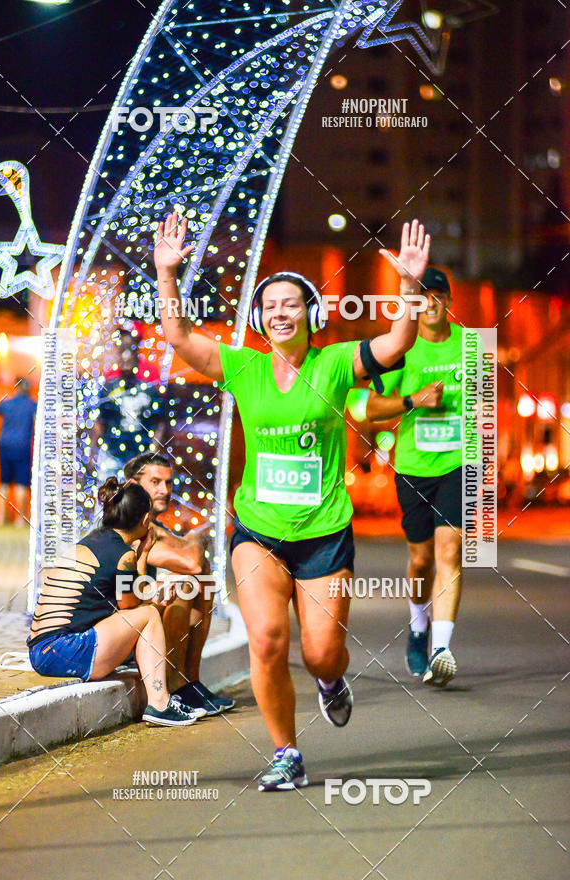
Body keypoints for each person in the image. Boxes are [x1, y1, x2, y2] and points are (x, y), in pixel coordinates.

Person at [155, 210, 431, 789]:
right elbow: (178, 337)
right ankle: (286, 753)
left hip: (325, 534)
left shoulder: (334, 364)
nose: (280, 312)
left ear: (312, 314)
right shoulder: (243, 367)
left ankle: (331, 682)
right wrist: (168, 273)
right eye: (270, 305)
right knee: (267, 638)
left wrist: (407, 289)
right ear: (260, 318)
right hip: (257, 531)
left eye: (292, 303)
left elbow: (399, 340)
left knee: (322, 653)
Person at [27, 476, 198, 726]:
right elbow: (131, 606)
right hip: (61, 650)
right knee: (149, 615)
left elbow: (128, 600)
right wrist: (145, 556)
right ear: (144, 519)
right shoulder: (124, 555)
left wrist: (144, 553)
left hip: (40, 650)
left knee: (145, 613)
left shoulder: (95, 539)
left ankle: (161, 698)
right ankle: (160, 702)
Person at [365, 267, 462, 687]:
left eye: (438, 295)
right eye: (423, 296)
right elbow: (368, 408)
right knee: (422, 559)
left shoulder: (472, 347)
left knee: (450, 552)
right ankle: (418, 627)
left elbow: (485, 407)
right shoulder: (402, 349)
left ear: (449, 302)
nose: (431, 302)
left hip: (461, 464)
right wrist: (413, 400)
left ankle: (441, 649)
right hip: (413, 468)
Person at [123, 451, 235, 715]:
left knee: (203, 579)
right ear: (132, 485)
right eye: (155, 482)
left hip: (137, 614)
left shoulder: (153, 525)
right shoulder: (132, 525)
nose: (164, 490)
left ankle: (191, 681)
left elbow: (194, 562)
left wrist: (193, 544)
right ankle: (178, 683)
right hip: (118, 624)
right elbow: (192, 562)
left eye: (169, 483)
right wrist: (197, 536)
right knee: (187, 581)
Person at [89, 329, 170, 479]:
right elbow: (99, 422)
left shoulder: (148, 387)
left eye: (130, 350)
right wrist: (93, 453)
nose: (126, 357)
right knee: (109, 498)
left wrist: (154, 453)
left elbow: (160, 422)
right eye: (122, 350)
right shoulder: (109, 385)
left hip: (140, 455)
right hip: (112, 454)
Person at [0, 379, 37, 526]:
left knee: (4, 482)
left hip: (5, 445)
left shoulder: (7, 403)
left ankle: (0, 518)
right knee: (21, 484)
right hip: (22, 447)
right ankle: (19, 519)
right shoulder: (31, 404)